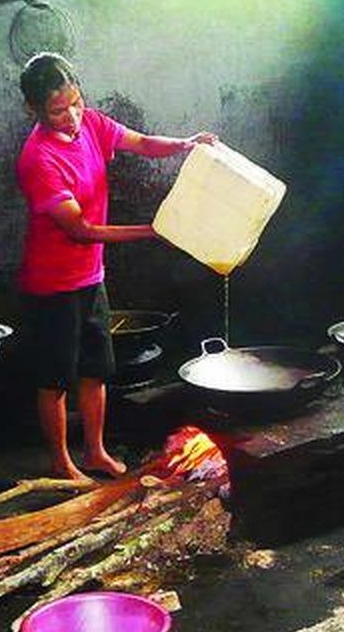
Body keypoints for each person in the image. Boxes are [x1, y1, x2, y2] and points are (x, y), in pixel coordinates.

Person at [16, 53, 216, 480]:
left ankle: (95, 452)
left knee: (96, 370)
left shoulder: (91, 123)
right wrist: (153, 231)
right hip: (52, 285)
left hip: (91, 277)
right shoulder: (39, 160)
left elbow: (142, 143)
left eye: (76, 102)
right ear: (33, 109)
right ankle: (62, 463)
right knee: (55, 379)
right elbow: (81, 230)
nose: (72, 116)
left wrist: (185, 144)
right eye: (58, 110)